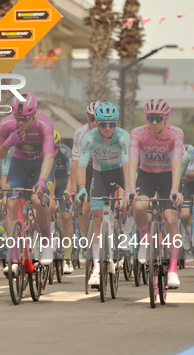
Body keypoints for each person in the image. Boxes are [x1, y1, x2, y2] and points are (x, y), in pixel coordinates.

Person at [0, 92, 55, 270]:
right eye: (18, 118)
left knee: (37, 199)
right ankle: (13, 259)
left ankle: (46, 242)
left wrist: (42, 181)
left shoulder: (45, 125)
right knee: (11, 204)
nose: (21, 122)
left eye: (25, 119)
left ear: (34, 114)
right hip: (19, 163)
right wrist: (7, 143)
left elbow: (49, 155)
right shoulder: (6, 125)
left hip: (40, 163)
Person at [126, 98, 184, 289]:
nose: (154, 123)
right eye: (150, 118)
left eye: (158, 118)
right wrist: (131, 189)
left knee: (171, 219)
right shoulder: (137, 133)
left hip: (168, 177)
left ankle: (173, 270)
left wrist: (175, 189)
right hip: (146, 176)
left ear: (166, 118)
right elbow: (132, 162)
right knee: (139, 206)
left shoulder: (176, 133)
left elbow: (176, 164)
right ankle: (146, 242)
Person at [75, 103, 131, 287]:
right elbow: (82, 164)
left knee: (133, 202)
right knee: (97, 218)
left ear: (116, 124)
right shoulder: (89, 137)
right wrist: (82, 187)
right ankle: (97, 268)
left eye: (112, 124)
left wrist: (128, 189)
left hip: (119, 172)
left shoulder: (123, 136)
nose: (108, 128)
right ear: (97, 123)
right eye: (103, 124)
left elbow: (127, 164)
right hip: (99, 174)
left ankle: (126, 235)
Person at [66, 102, 99, 250]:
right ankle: (84, 238)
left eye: (98, 118)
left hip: (104, 168)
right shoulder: (81, 132)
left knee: (104, 206)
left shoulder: (108, 130)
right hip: (86, 167)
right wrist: (74, 189)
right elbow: (75, 164)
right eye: (92, 118)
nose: (96, 122)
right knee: (84, 207)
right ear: (88, 117)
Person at [49, 130, 74, 274]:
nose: (52, 151)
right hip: (51, 181)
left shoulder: (66, 152)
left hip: (65, 182)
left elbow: (72, 176)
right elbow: (48, 176)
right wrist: (51, 196)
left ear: (59, 146)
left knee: (66, 217)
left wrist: (68, 191)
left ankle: (68, 257)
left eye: (55, 148)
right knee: (45, 209)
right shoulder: (44, 154)